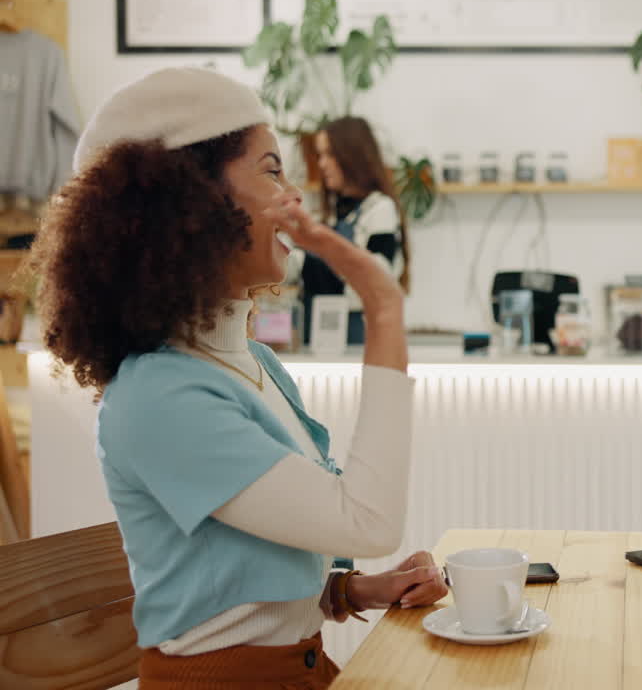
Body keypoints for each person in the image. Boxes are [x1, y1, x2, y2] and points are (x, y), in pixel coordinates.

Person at [28, 67, 444, 689]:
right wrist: (382, 308)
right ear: (193, 203)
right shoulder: (160, 397)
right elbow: (368, 523)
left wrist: (351, 590)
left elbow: (237, 574)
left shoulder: (252, 363)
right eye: (273, 171)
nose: (294, 198)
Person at [298, 116, 409, 345]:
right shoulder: (326, 214)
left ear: (352, 155)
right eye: (319, 155)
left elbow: (377, 275)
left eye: (329, 154)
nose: (322, 164)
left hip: (357, 330)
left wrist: (316, 255)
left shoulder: (380, 209)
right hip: (316, 326)